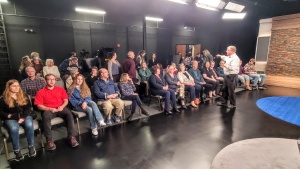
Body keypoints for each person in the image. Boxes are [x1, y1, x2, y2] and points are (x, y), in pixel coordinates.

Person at [34, 74, 79, 150]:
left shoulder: (60, 89)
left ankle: (71, 137)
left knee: (69, 114)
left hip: (60, 108)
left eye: (53, 79)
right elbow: (39, 106)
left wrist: (62, 107)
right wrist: (49, 109)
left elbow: (66, 101)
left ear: (55, 80)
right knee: (45, 116)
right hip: (49, 109)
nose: (52, 81)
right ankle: (49, 140)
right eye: (49, 79)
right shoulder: (40, 92)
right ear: (45, 80)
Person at [0, 80, 36, 161]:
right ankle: (16, 150)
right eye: (14, 86)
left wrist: (22, 118)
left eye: (18, 85)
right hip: (11, 117)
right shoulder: (3, 98)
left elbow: (28, 108)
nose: (17, 87)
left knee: (29, 125)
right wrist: (7, 115)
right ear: (8, 87)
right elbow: (1, 111)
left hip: (24, 115)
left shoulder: (24, 95)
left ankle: (31, 146)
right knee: (14, 128)